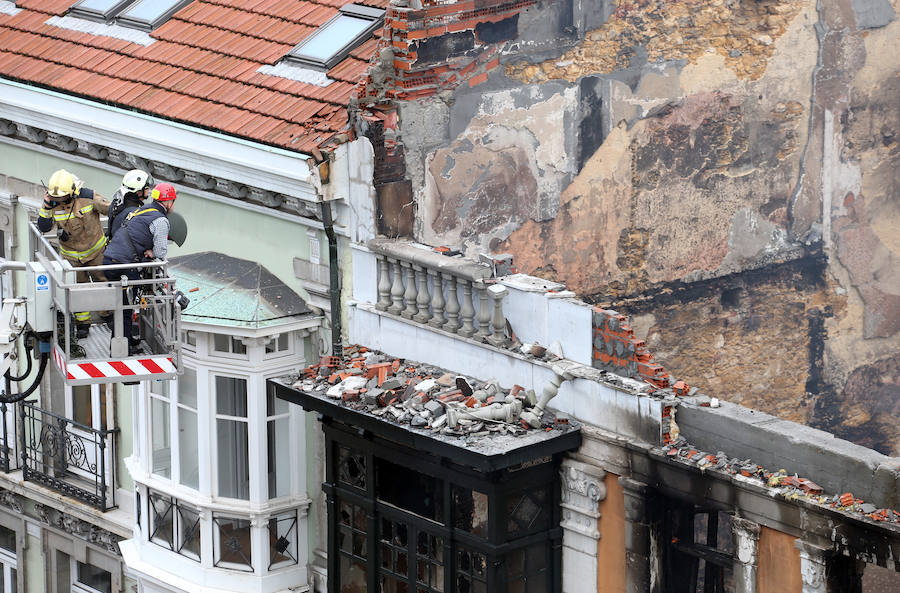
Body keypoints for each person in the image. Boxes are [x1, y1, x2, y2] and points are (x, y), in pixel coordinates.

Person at [102, 182, 177, 355]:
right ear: (167, 202)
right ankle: (121, 349)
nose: (173, 204)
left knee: (122, 305)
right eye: (173, 200)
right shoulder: (160, 220)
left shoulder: (141, 210)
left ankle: (124, 341)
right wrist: (151, 251)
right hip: (126, 265)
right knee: (127, 307)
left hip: (110, 260)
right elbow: (160, 251)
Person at [38, 169, 110, 339]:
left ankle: (109, 315)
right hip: (71, 257)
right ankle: (83, 323)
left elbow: (110, 209)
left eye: (61, 197)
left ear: (71, 192)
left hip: (96, 253)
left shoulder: (87, 197)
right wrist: (46, 206)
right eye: (55, 197)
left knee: (103, 283)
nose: (58, 200)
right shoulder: (51, 204)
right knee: (76, 289)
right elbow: (43, 226)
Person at [107, 169, 153, 240]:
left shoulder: (117, 202)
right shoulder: (135, 213)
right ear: (138, 192)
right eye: (147, 188)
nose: (149, 190)